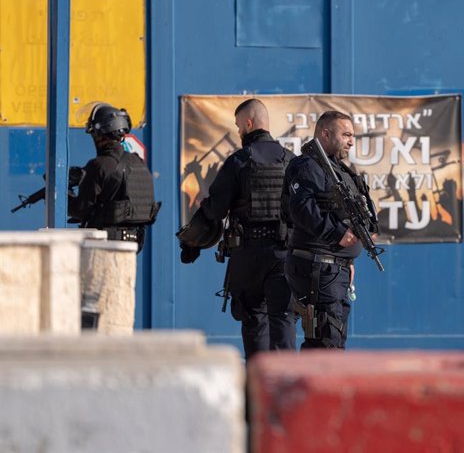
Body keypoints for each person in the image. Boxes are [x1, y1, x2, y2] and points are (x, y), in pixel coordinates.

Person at [177, 98, 297, 360]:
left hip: (250, 257)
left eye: (239, 126)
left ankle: (257, 385)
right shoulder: (291, 161)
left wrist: (192, 241)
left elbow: (215, 209)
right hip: (285, 255)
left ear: (249, 123)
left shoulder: (239, 161)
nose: (239, 132)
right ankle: (285, 387)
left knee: (254, 318)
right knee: (284, 318)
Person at [282, 110, 378, 349]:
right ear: (325, 134)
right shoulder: (307, 166)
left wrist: (347, 261)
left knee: (333, 340)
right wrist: (337, 235)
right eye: (346, 134)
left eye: (352, 135)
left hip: (333, 269)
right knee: (325, 341)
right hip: (318, 268)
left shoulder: (339, 171)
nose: (351, 141)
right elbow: (302, 208)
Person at [70, 102, 160, 253]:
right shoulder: (138, 162)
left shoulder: (98, 165)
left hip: (104, 246)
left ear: (100, 134)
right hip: (133, 245)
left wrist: (61, 194)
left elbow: (81, 210)